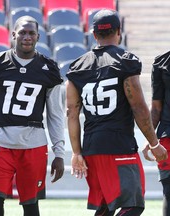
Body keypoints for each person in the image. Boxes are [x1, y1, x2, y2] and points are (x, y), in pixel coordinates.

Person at [66, 9, 168, 216]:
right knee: (133, 205)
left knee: (105, 207)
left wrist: (77, 152)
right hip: (119, 145)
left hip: (92, 146)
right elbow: (138, 108)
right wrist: (154, 143)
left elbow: (71, 112)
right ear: (119, 32)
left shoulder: (77, 67)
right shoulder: (125, 61)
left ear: (94, 34)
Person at [0, 15, 65, 216]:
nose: (26, 37)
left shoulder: (49, 69)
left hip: (34, 145)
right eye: (22, 32)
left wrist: (59, 152)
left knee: (31, 204)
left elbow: (55, 114)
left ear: (38, 36)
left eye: (31, 33)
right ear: (13, 35)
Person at [142, 51, 170, 216]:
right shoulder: (161, 62)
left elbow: (156, 108)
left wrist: (152, 140)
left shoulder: (162, 61)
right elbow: (156, 108)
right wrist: (151, 139)